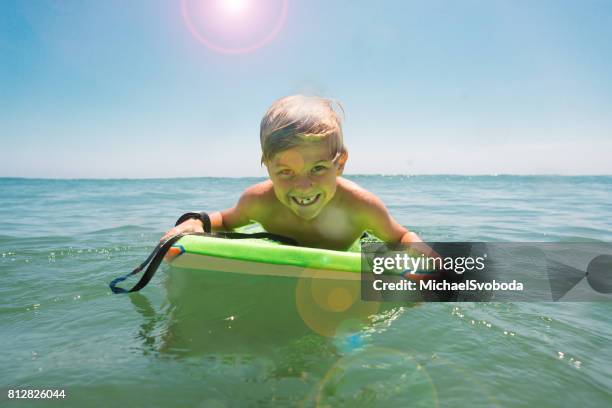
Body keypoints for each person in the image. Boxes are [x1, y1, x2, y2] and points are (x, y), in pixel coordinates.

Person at [161, 95, 427, 252]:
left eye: (318, 168)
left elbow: (402, 236)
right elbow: (225, 220)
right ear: (267, 165)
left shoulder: (360, 206)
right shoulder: (259, 202)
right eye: (286, 172)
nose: (303, 186)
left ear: (341, 163)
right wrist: (196, 223)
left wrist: (419, 254)